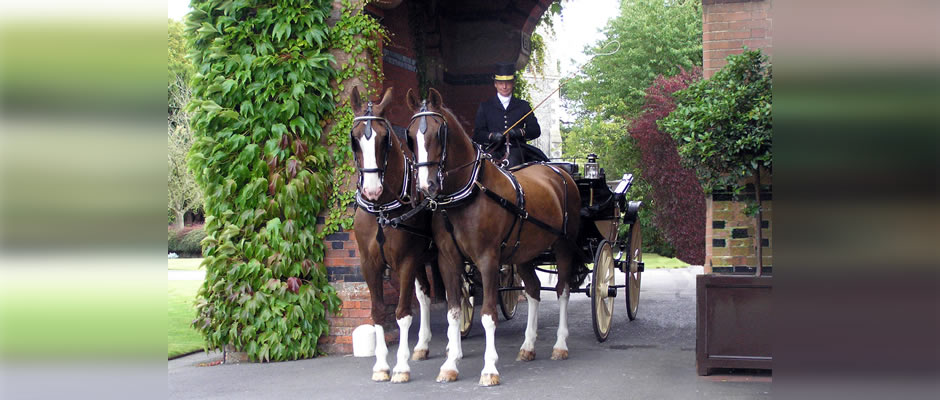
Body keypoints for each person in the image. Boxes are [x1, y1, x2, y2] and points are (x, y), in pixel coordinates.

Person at [472, 63, 548, 168]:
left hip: (517, 149)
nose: (504, 86)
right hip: (493, 149)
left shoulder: (523, 106)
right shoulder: (485, 106)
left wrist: (519, 132)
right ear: (495, 84)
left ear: (513, 83)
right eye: (500, 83)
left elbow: (535, 130)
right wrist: (492, 136)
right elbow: (477, 134)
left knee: (514, 161)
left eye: (508, 83)